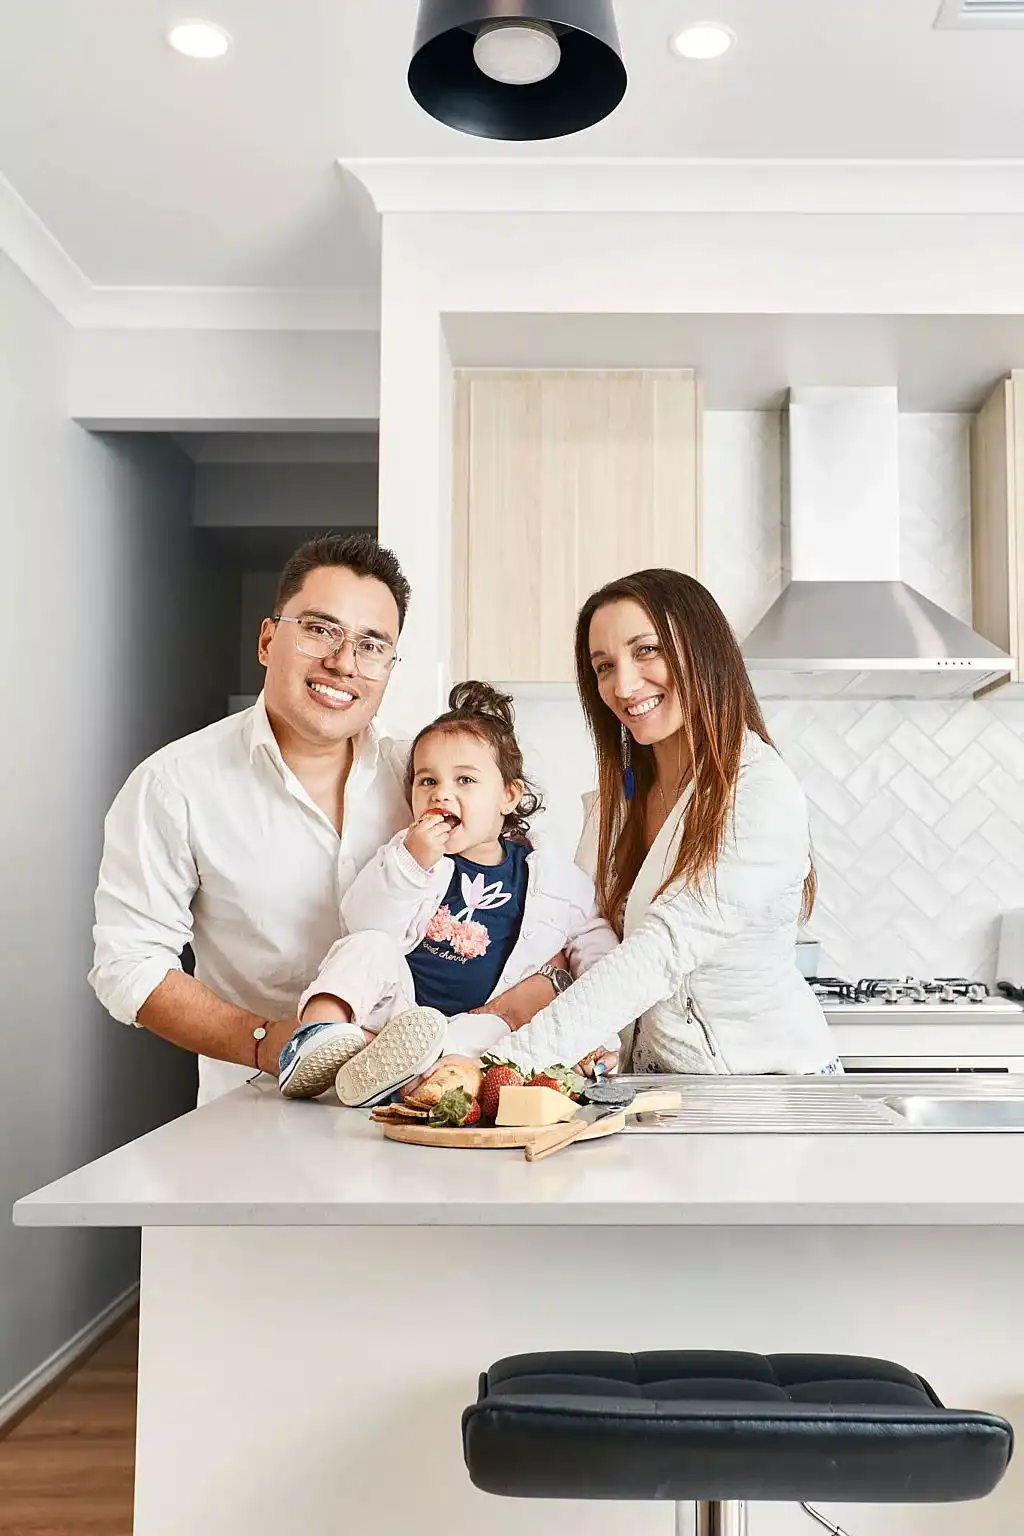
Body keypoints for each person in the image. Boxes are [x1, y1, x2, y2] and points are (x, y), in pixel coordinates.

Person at [88, 533, 570, 1106]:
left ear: (390, 666)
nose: (343, 663)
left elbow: (536, 903)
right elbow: (130, 969)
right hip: (257, 1110)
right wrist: (270, 1042)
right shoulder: (175, 785)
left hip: (423, 1103)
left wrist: (505, 1018)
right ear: (268, 640)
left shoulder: (422, 777)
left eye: (372, 645)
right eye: (320, 630)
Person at [400, 567, 841, 1087]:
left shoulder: (759, 792)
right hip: (653, 1087)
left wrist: (502, 1063)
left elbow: (659, 953)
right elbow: (587, 934)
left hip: (759, 1089)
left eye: (647, 650)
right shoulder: (620, 799)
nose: (624, 686)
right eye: (604, 666)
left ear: (702, 650)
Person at [275, 681, 620, 1105]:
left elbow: (597, 950)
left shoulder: (552, 878)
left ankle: (400, 1076)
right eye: (427, 781)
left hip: (472, 1021)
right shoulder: (410, 856)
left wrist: (602, 1032)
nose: (441, 792)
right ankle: (316, 1038)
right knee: (366, 948)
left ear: (509, 796)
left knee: (491, 1034)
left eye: (465, 780)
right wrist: (411, 862)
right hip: (397, 1006)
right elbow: (365, 921)